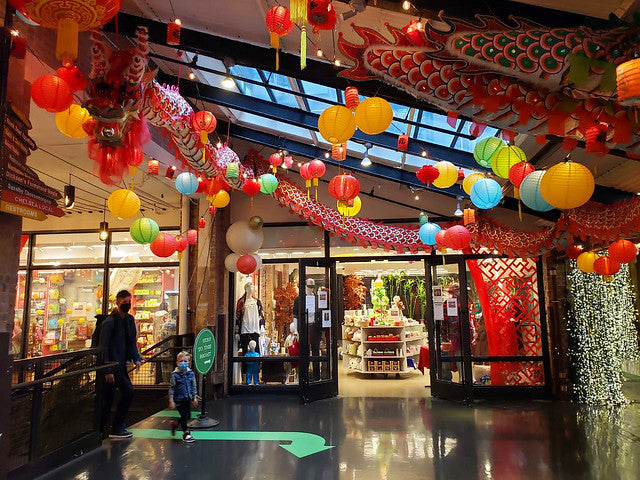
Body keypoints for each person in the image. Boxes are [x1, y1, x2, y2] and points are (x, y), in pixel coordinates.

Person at [98, 290, 142, 439]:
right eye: (125, 303)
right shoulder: (110, 322)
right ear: (117, 303)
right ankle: (114, 428)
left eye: (129, 302)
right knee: (125, 392)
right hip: (112, 366)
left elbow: (131, 342)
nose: (128, 305)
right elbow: (103, 347)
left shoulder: (129, 320)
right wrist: (107, 370)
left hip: (120, 365)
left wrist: (136, 358)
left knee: (109, 398)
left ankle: (107, 429)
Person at [168, 351, 198, 443]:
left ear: (188, 363)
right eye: (180, 361)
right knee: (185, 415)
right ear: (177, 362)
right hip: (179, 399)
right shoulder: (175, 375)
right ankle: (186, 433)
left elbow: (193, 386)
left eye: (185, 361)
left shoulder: (191, 374)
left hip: (187, 398)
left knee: (188, 415)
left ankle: (175, 423)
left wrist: (194, 397)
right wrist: (171, 399)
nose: (183, 363)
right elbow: (172, 387)